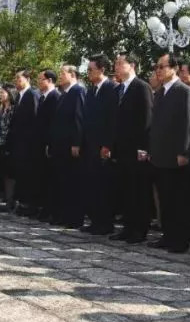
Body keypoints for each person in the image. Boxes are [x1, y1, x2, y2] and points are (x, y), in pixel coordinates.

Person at [149, 53, 190, 252]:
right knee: (165, 199)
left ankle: (180, 239)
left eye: (162, 66)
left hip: (176, 156)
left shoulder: (184, 91)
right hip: (160, 155)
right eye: (156, 67)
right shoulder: (160, 93)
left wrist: (184, 152)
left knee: (179, 200)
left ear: (174, 68)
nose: (158, 71)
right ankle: (168, 236)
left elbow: (188, 123)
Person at [110, 53, 154, 242]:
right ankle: (127, 228)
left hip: (137, 149)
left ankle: (139, 229)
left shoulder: (141, 87)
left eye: (121, 63)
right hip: (122, 149)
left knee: (139, 191)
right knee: (125, 190)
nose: (117, 67)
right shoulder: (118, 89)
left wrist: (144, 148)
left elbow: (146, 120)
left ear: (133, 65)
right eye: (116, 64)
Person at [82, 55, 119, 235]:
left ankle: (105, 223)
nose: (88, 73)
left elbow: (112, 120)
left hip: (103, 146)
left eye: (91, 69)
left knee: (104, 186)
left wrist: (107, 145)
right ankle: (96, 221)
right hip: (90, 145)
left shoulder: (111, 88)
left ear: (102, 69)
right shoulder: (90, 90)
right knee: (92, 184)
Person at [48, 65, 86, 227]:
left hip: (70, 145)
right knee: (61, 181)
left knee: (72, 182)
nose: (60, 76)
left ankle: (74, 218)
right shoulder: (64, 94)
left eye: (63, 73)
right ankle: (63, 215)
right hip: (59, 145)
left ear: (72, 74)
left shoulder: (78, 91)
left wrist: (76, 142)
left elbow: (79, 118)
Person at [30, 70, 60, 221]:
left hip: (49, 145)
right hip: (39, 144)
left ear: (49, 80)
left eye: (40, 79)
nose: (38, 82)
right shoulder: (42, 98)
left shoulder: (56, 97)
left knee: (50, 178)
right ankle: (42, 208)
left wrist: (50, 143)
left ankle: (50, 210)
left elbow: (54, 124)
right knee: (41, 177)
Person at [9, 69, 40, 214]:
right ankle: (21, 203)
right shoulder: (19, 97)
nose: (16, 81)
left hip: (28, 144)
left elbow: (34, 119)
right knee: (20, 173)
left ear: (27, 79)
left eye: (19, 78)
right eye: (15, 79)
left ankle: (28, 204)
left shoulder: (32, 95)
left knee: (28, 175)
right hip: (19, 143)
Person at [0, 84, 18, 211]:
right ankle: (7, 199)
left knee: (11, 174)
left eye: (3, 92)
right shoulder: (2, 109)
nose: (1, 95)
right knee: (4, 173)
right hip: (1, 143)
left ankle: (11, 202)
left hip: (10, 144)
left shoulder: (14, 109)